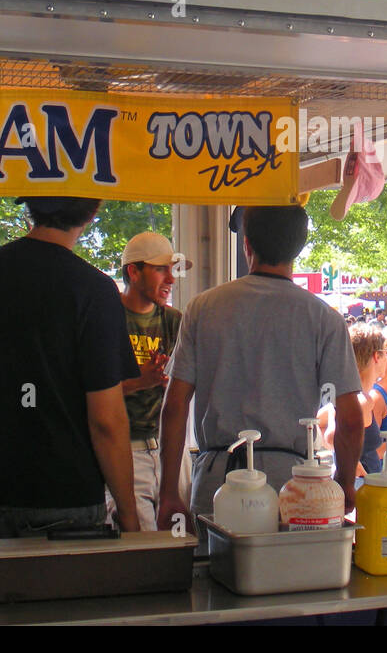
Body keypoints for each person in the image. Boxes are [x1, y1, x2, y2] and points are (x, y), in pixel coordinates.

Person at [156, 205, 364, 530]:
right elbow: (351, 419)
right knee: (292, 577)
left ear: (247, 245)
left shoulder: (204, 308)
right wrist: (345, 481)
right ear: (299, 248)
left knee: (211, 575)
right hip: (294, 488)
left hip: (218, 483)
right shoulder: (324, 319)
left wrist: (169, 491)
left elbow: (175, 405)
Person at [0, 197, 141, 538]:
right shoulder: (93, 289)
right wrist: (129, 514)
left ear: (30, 204)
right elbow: (106, 420)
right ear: (93, 211)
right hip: (68, 495)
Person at [116, 231, 191, 531]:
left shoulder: (176, 321)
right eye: (161, 269)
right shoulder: (107, 319)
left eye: (172, 270)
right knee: (143, 546)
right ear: (133, 272)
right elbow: (87, 392)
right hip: (126, 451)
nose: (171, 279)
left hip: (172, 450)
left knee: (182, 544)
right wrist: (139, 381)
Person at [319, 326, 386, 478]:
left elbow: (317, 422)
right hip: (361, 487)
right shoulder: (362, 400)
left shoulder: (350, 397)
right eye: (386, 353)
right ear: (377, 356)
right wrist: (352, 462)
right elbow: (332, 437)